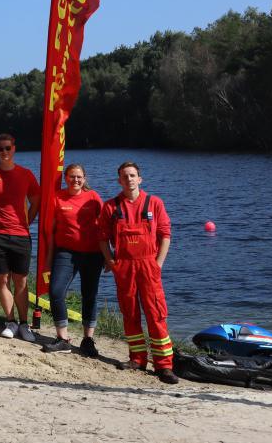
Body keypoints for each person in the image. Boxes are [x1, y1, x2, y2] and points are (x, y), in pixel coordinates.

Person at [98, 161, 177, 384]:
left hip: (149, 265)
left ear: (139, 179)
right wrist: (111, 262)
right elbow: (102, 239)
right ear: (119, 181)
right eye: (125, 176)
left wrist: (158, 263)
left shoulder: (155, 203)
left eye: (132, 175)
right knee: (130, 313)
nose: (129, 179)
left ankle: (164, 366)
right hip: (124, 266)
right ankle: (137, 359)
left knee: (156, 313)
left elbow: (165, 235)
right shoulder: (111, 207)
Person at [0, 133, 40, 342]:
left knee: (21, 280)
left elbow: (36, 201)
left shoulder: (26, 174)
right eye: (0, 148)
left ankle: (24, 324)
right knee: (2, 279)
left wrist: (26, 223)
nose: (4, 152)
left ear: (14, 149)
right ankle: (10, 321)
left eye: (8, 148)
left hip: (21, 235)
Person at [42, 163, 104, 357]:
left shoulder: (93, 197)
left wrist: (109, 255)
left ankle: (87, 340)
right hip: (66, 253)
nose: (75, 180)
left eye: (79, 177)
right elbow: (50, 233)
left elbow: (105, 227)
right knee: (55, 291)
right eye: (71, 176)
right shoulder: (57, 197)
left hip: (93, 254)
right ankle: (63, 339)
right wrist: (47, 260)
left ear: (84, 179)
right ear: (65, 178)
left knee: (89, 295)